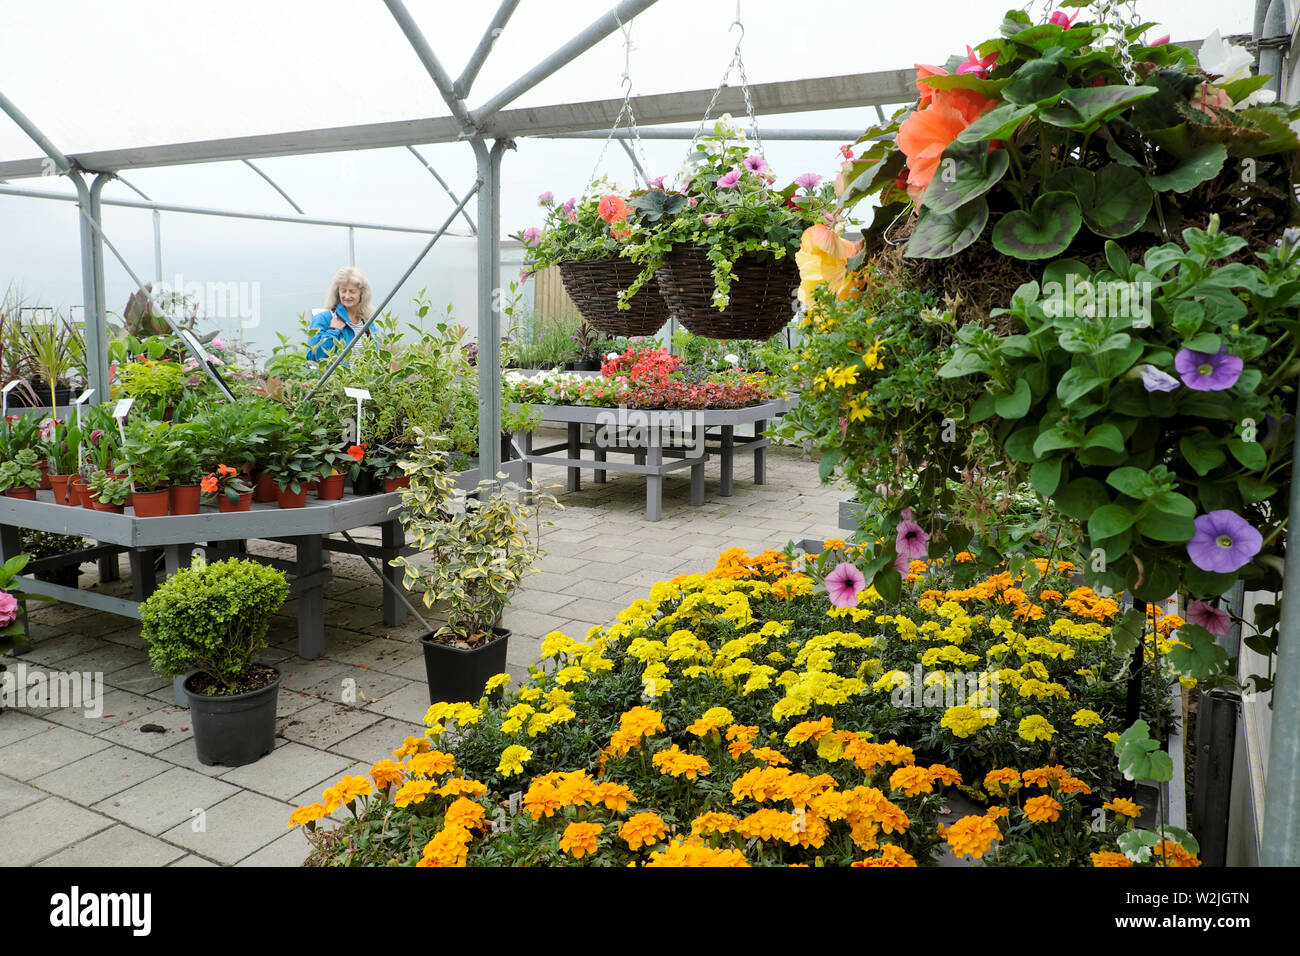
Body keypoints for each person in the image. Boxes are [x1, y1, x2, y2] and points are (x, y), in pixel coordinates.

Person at [306, 267, 374, 362]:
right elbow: (312, 357)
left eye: (352, 291)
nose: (347, 296)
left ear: (362, 293)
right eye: (343, 291)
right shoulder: (323, 319)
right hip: (336, 377)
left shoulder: (367, 321)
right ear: (337, 292)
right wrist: (333, 330)